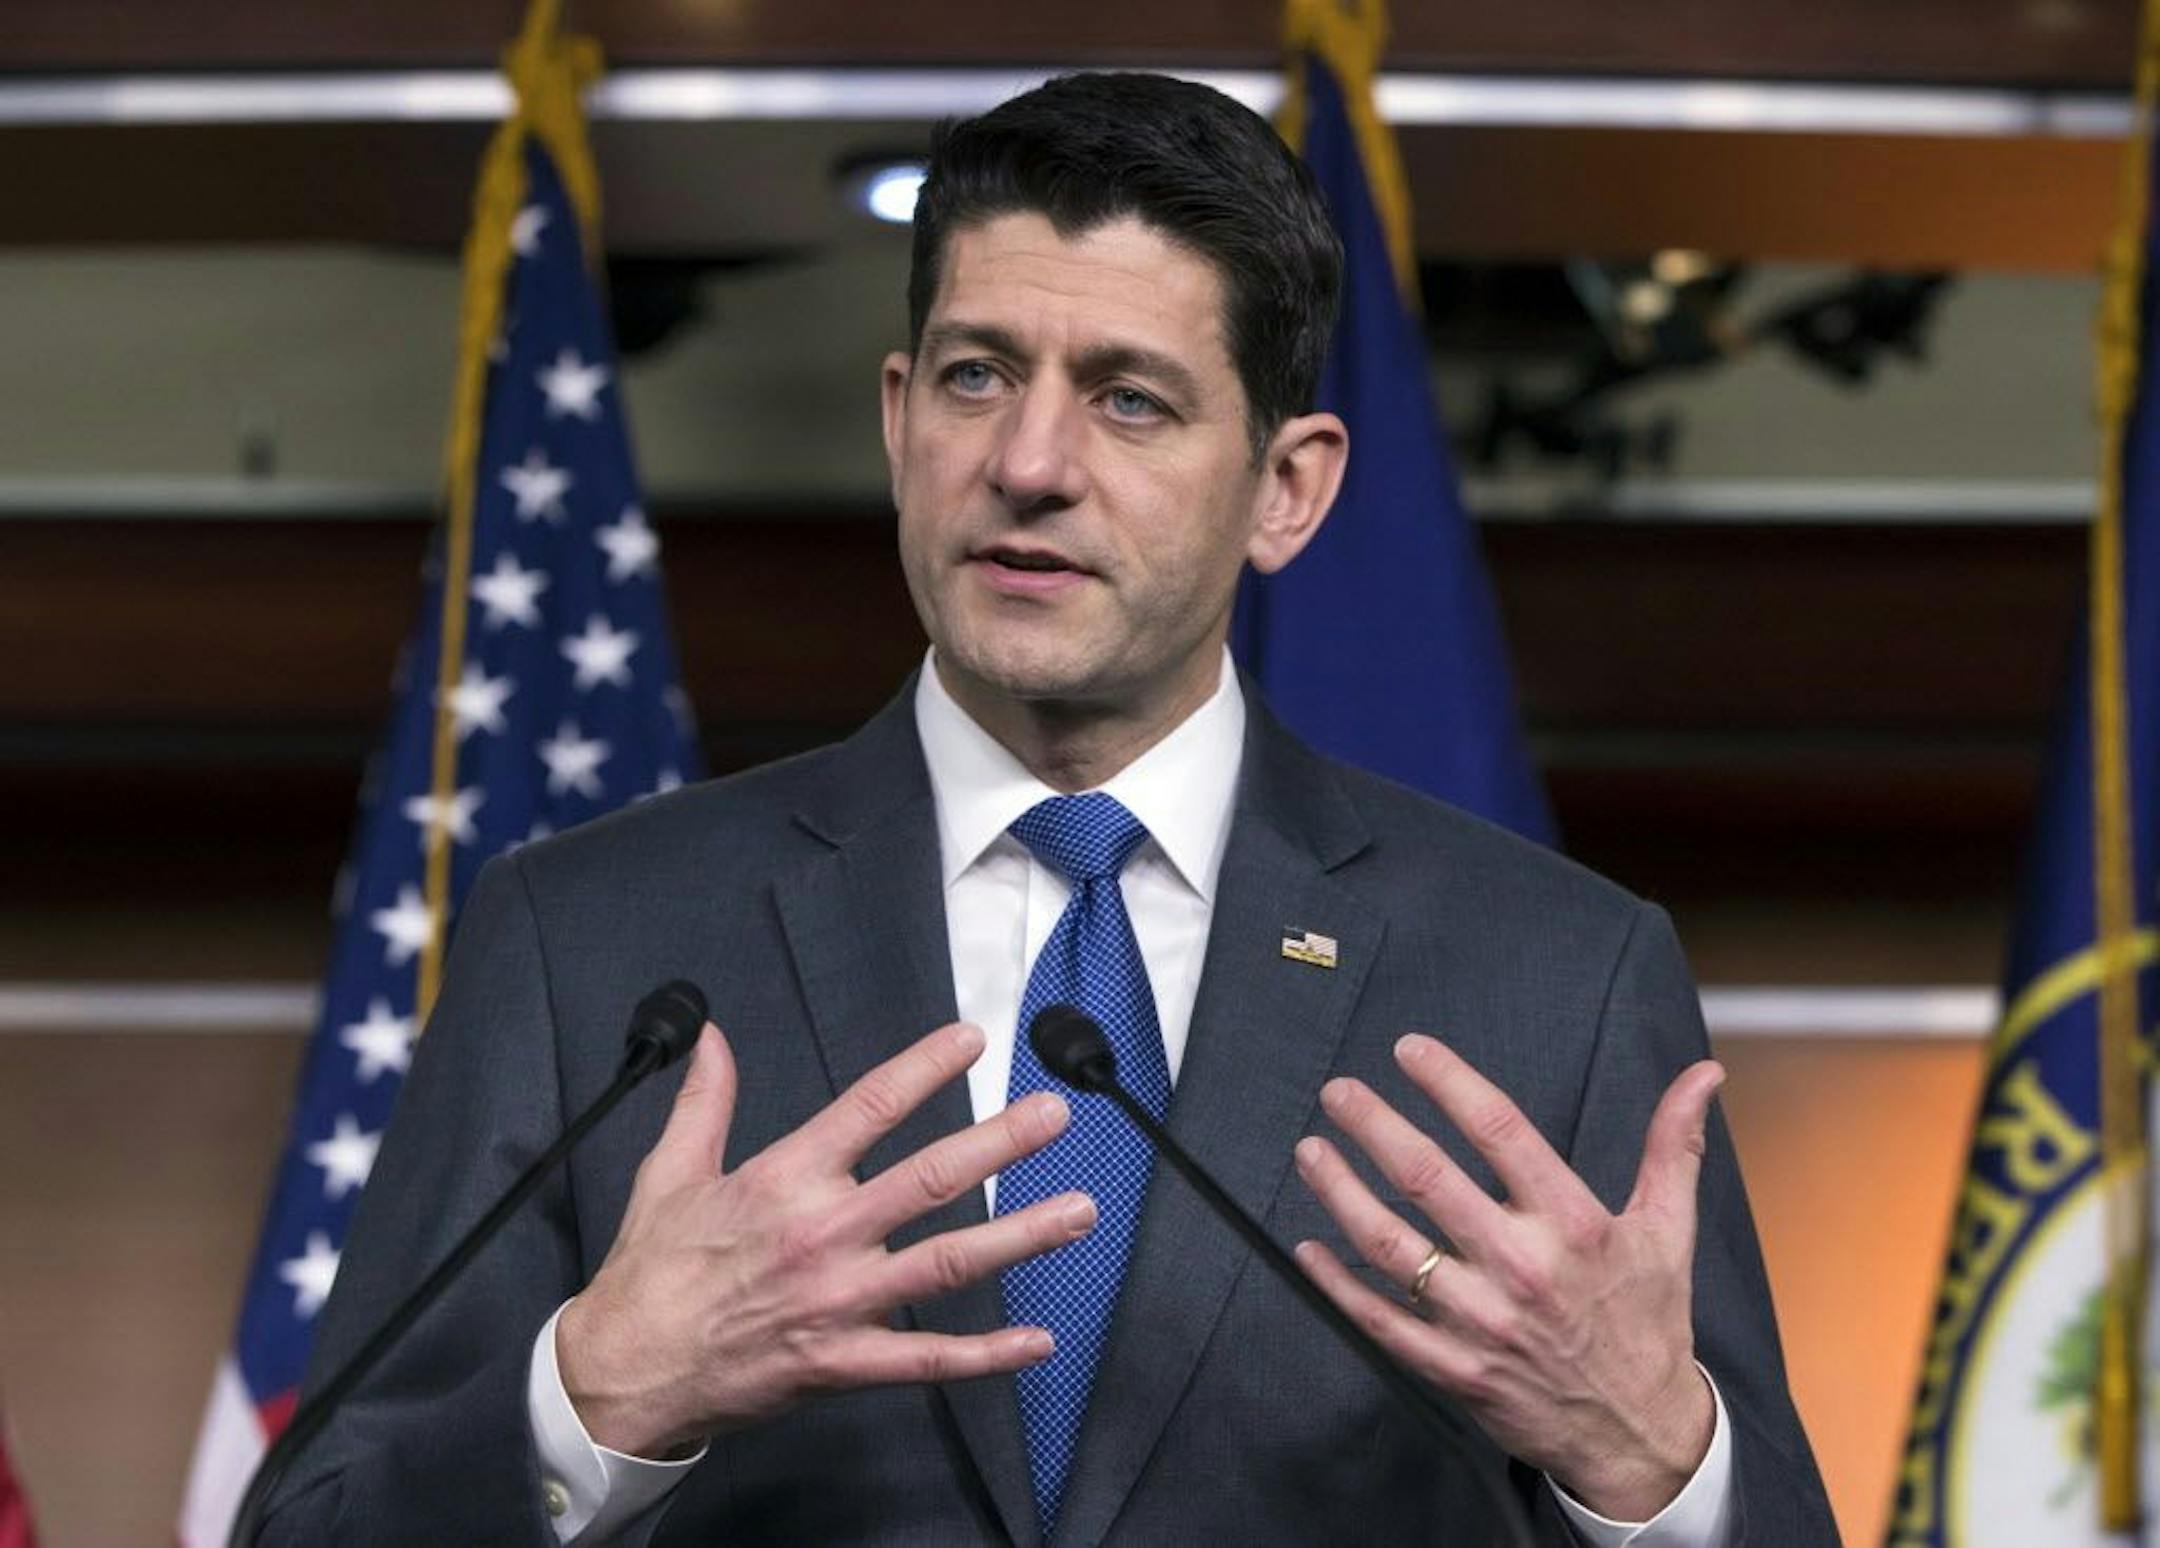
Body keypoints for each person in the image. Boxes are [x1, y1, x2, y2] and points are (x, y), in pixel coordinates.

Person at [266, 72, 1835, 1545]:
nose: (1027, 462)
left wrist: (1649, 1471)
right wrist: (593, 1399)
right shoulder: (594, 942)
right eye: (977, 376)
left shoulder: (1551, 976)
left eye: (1131, 401)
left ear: (1286, 487)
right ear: (899, 423)